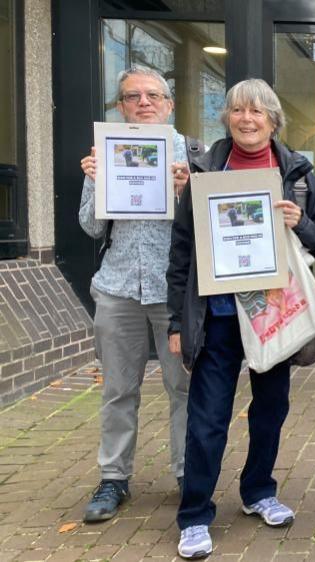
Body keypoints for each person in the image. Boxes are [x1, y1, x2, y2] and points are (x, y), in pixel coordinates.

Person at [166, 78, 315, 559]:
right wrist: (178, 324)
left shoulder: (297, 173)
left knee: (270, 413)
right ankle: (195, 514)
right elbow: (181, 252)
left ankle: (258, 490)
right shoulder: (205, 170)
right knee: (207, 419)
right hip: (216, 317)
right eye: (238, 109)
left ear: (273, 119)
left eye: (257, 111)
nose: (247, 118)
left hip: (272, 316)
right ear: (227, 118)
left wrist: (299, 222)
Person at [77, 67, 192, 523]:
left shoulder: (193, 156)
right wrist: (96, 179)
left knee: (183, 387)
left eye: (152, 95)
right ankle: (113, 479)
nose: (143, 103)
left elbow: (209, 226)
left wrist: (188, 192)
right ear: (120, 106)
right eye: (131, 97)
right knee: (118, 388)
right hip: (118, 287)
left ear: (168, 104)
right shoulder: (105, 153)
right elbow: (89, 225)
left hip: (174, 291)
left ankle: (189, 475)